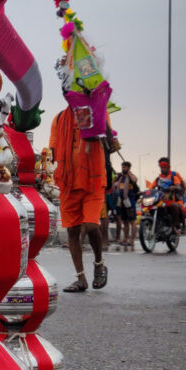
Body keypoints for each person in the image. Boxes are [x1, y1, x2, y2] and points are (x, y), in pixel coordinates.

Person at [49, 100, 116, 292]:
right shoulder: (59, 118)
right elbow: (53, 151)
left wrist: (98, 116)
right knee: (72, 231)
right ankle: (80, 278)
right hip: (68, 183)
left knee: (92, 226)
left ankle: (99, 264)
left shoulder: (96, 112)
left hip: (93, 181)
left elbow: (110, 141)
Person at [148, 157, 186, 234]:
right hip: (160, 200)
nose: (162, 169)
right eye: (161, 166)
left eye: (164, 166)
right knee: (148, 207)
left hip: (174, 198)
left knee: (178, 207)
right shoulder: (158, 178)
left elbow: (181, 186)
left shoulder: (174, 175)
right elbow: (151, 187)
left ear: (168, 166)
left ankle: (177, 226)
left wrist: (175, 190)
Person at [112, 161, 140, 250]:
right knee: (125, 221)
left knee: (132, 220)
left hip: (130, 200)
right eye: (122, 167)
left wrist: (129, 174)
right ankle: (125, 239)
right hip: (122, 201)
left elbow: (135, 180)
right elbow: (115, 184)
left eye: (124, 167)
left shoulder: (131, 176)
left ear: (128, 168)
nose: (123, 168)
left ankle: (131, 240)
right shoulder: (121, 177)